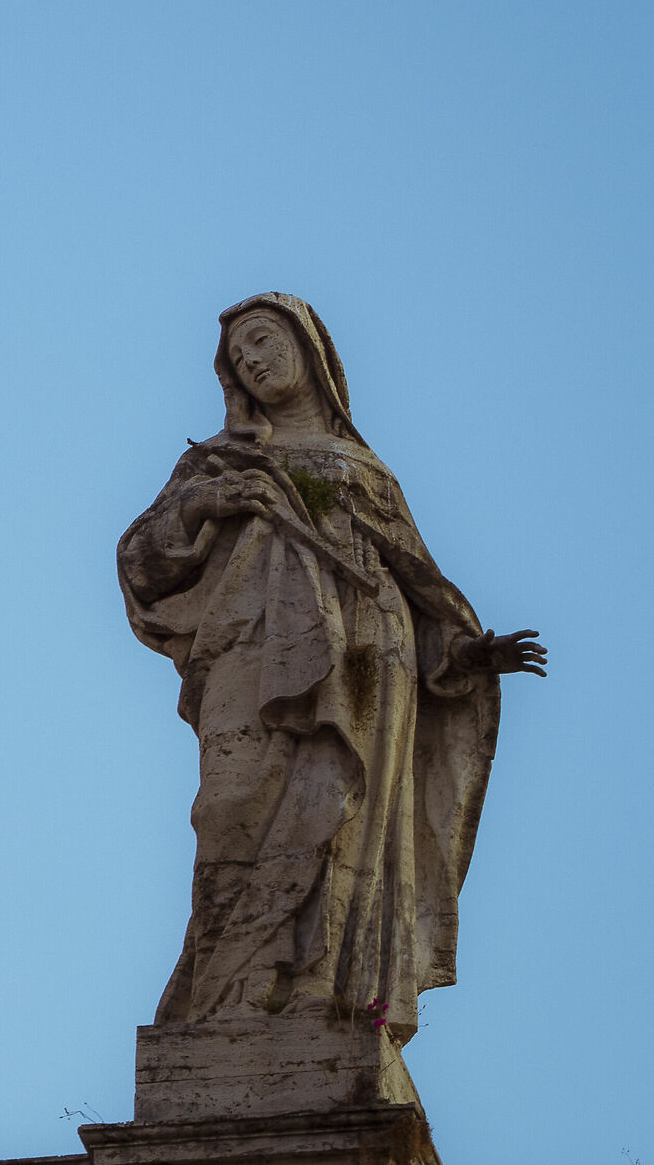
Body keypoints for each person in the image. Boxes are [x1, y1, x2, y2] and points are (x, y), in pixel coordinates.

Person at [118, 293, 545, 1042]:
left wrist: (464, 655)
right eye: (238, 356)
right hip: (251, 659)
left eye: (263, 339)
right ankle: (224, 995)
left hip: (366, 656)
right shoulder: (217, 461)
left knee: (344, 820)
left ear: (309, 350)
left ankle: (321, 991)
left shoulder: (367, 473)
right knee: (228, 815)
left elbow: (416, 587)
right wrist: (214, 500)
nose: (253, 359)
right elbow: (141, 559)